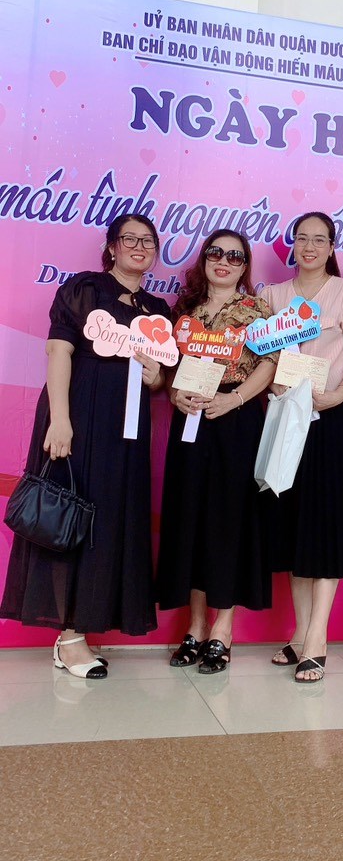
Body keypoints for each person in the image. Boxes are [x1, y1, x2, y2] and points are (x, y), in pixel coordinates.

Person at [0, 215, 170, 678]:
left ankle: (82, 628)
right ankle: (69, 638)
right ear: (111, 247)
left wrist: (156, 376)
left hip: (127, 433)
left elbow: (159, 379)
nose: (139, 247)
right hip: (78, 417)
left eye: (147, 241)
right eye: (129, 239)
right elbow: (59, 351)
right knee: (70, 518)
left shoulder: (157, 309)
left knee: (107, 522)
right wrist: (60, 420)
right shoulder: (85, 289)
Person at [156, 229, 276, 674]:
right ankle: (195, 626)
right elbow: (169, 367)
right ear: (204, 259)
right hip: (190, 421)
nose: (223, 261)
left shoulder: (258, 310)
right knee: (190, 518)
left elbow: (271, 362)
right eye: (215, 253)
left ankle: (223, 630)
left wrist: (235, 398)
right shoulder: (184, 310)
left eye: (234, 256)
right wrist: (175, 395)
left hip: (236, 419)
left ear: (244, 266)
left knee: (229, 521)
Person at [264, 212, 343, 683]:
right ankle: (299, 632)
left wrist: (339, 395)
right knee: (293, 526)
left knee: (324, 527)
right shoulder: (272, 296)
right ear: (293, 245)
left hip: (328, 418)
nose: (309, 246)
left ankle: (317, 639)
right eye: (302, 238)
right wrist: (273, 388)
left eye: (319, 239)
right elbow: (264, 356)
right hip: (284, 416)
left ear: (331, 247)